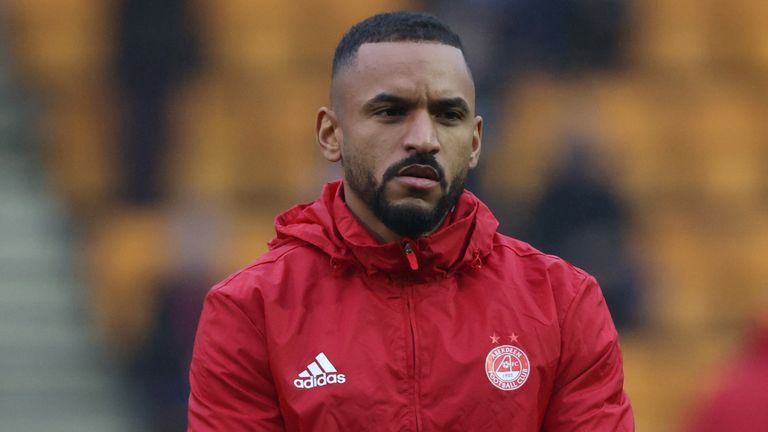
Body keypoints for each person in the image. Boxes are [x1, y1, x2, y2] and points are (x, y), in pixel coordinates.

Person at [188, 11, 634, 431]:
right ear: (331, 135)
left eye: (448, 115)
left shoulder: (563, 304)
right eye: (390, 112)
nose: (423, 139)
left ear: (475, 142)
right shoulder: (252, 312)